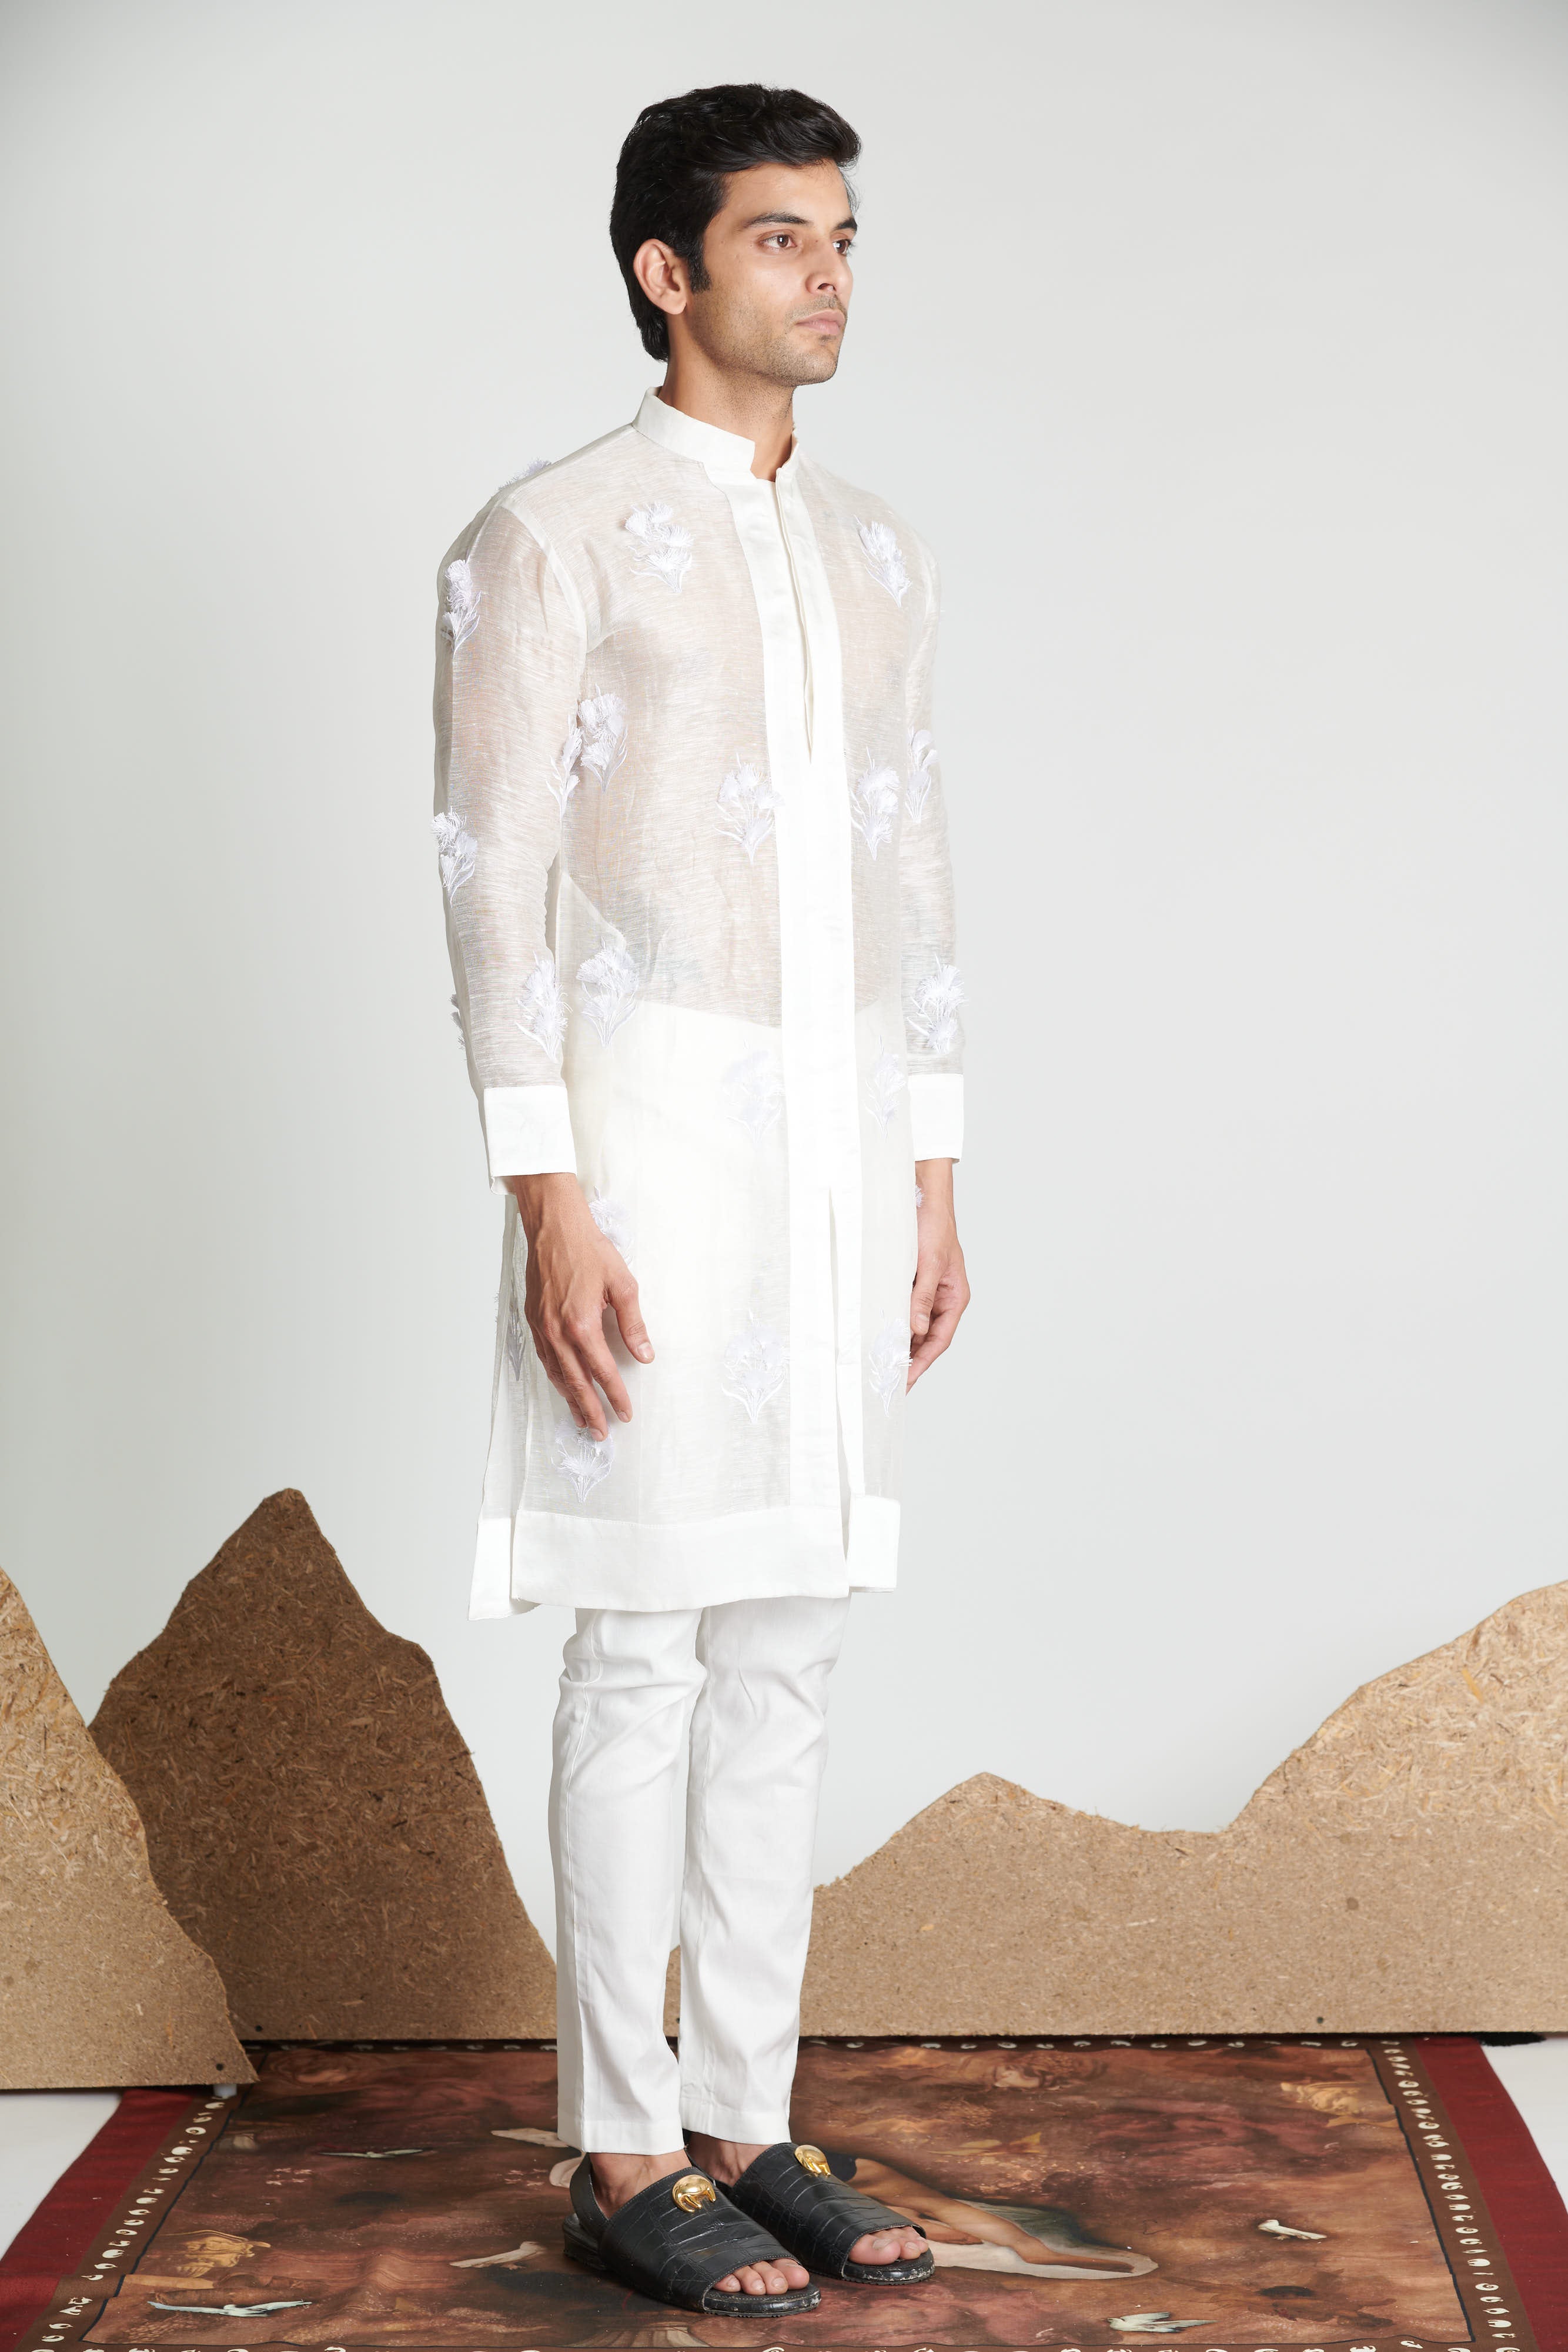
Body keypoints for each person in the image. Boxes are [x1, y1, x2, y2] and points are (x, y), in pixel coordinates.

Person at [432, 81, 969, 2317]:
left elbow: (911, 858)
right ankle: (621, 2141)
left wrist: (932, 1162)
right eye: (777, 238)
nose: (825, 274)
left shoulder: (874, 547)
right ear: (667, 271)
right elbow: (490, 880)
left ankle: (749, 2117)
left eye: (840, 236)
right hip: (646, 1122)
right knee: (640, 1639)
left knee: (792, 1638)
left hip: (841, 1140)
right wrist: (544, 1195)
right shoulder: (547, 535)